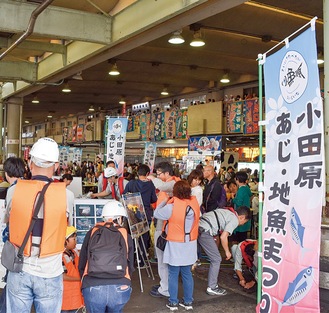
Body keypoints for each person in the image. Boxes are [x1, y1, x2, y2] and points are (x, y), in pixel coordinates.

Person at [5, 137, 68, 313]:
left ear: (30, 163)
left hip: (19, 268)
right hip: (50, 271)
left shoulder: (13, 191)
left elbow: (9, 221)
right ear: (56, 166)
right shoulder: (67, 196)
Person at [78, 200, 134, 313]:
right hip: (120, 287)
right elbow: (130, 264)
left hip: (93, 287)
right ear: (119, 218)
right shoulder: (125, 234)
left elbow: (82, 262)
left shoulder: (92, 232)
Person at [154, 181, 200, 311]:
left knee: (173, 274)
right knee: (187, 273)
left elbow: (157, 213)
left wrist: (166, 200)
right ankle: (188, 302)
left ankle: (173, 302)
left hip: (175, 243)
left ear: (175, 192)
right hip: (190, 243)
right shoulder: (194, 204)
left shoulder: (171, 207)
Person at [198, 206, 251, 296]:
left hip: (198, 226)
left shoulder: (227, 212)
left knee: (191, 257)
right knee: (216, 259)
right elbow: (223, 236)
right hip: (205, 231)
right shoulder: (234, 219)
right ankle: (212, 287)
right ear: (242, 217)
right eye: (244, 222)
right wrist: (227, 251)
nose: (242, 224)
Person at [147, 162, 180, 298]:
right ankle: (164, 284)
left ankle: (165, 289)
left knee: (162, 260)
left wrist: (151, 178)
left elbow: (161, 186)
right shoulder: (171, 185)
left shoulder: (172, 184)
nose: (158, 176)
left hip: (165, 228)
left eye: (159, 173)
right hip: (164, 226)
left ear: (167, 173)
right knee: (164, 260)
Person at [0, 157, 25, 313]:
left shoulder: (13, 190)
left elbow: (9, 216)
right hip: (29, 243)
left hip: (16, 241)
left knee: (11, 281)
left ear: (7, 174)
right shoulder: (29, 185)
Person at [124, 164, 157, 263]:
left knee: (131, 236)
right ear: (147, 174)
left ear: (137, 173)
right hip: (145, 214)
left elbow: (124, 195)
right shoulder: (150, 185)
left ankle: (131, 258)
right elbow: (153, 199)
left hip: (132, 214)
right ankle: (141, 260)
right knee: (143, 237)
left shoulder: (131, 183)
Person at [62, 226, 84, 313]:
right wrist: (80, 278)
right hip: (65, 299)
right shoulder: (60, 256)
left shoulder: (74, 253)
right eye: (73, 239)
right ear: (65, 240)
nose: (76, 241)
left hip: (75, 298)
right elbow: (62, 276)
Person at [232, 171, 252, 242]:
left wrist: (233, 199)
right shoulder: (247, 188)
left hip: (240, 215)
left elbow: (239, 202)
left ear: (237, 180)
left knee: (239, 238)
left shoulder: (241, 190)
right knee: (244, 237)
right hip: (246, 213)